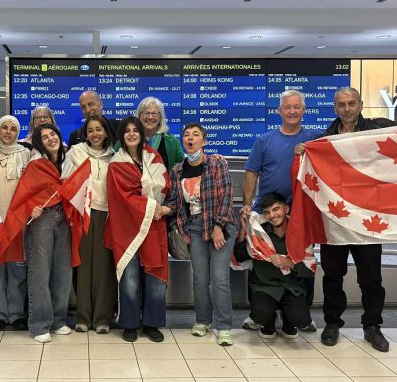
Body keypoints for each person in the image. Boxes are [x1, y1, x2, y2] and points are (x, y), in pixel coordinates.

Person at [318, 87, 395, 352]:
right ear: (335, 108)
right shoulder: (324, 139)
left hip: (368, 220)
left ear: (360, 104)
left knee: (371, 278)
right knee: (332, 276)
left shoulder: (379, 129)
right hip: (336, 220)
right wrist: (304, 152)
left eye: (351, 103)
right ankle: (332, 323)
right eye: (341, 104)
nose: (347, 109)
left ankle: (372, 327)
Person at [240, 90, 320, 332]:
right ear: (279, 111)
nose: (292, 111)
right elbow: (252, 172)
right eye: (288, 108)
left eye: (297, 107)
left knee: (302, 260)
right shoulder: (264, 140)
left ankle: (299, 312)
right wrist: (247, 203)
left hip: (300, 214)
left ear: (304, 110)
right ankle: (260, 313)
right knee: (260, 261)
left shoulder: (314, 139)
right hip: (267, 212)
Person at [161, 123, 236, 346]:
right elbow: (175, 201)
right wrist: (164, 209)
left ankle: (223, 326)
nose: (190, 138)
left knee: (220, 278)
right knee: (200, 279)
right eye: (186, 135)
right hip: (194, 228)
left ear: (204, 141)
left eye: (196, 135)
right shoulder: (177, 170)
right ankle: (203, 320)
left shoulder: (217, 163)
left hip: (219, 227)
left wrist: (218, 226)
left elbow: (227, 195)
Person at [106, 117, 169, 343]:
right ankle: (130, 323)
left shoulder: (155, 157)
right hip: (127, 227)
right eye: (127, 131)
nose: (132, 134)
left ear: (142, 134)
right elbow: (124, 197)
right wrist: (153, 206)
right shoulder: (116, 163)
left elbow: (167, 184)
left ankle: (152, 324)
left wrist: (163, 208)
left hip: (154, 225)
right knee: (130, 277)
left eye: (136, 131)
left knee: (155, 274)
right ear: (121, 136)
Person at [62, 116, 117, 334]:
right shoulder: (76, 153)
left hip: (107, 214)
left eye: (99, 130)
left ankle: (103, 317)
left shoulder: (114, 156)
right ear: (85, 134)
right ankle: (83, 317)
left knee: (104, 267)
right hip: (81, 213)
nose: (95, 134)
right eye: (90, 130)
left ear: (105, 132)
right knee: (83, 265)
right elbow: (65, 178)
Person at [234, 192, 314, 339]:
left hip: (291, 288)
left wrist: (289, 263)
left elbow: (310, 270)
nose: (272, 215)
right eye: (267, 212)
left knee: (302, 319)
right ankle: (268, 322)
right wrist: (243, 229)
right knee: (260, 314)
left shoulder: (300, 233)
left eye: (276, 209)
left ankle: (289, 322)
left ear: (286, 209)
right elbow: (239, 257)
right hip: (265, 286)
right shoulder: (258, 233)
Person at [0, 115, 30, 331]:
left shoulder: (27, 154)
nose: (8, 132)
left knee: (17, 269)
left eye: (13, 129)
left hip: (19, 221)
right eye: (4, 128)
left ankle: (16, 313)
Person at [26, 123, 73, 343]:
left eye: (53, 134)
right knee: (41, 271)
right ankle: (39, 324)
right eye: (44, 137)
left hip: (64, 217)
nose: (50, 139)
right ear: (39, 143)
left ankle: (58, 320)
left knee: (63, 271)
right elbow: (25, 193)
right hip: (42, 218)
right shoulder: (36, 164)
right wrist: (31, 208)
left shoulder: (68, 160)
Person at [135, 96, 184, 172]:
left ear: (160, 117)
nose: (150, 117)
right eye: (146, 113)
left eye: (155, 113)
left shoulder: (172, 142)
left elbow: (182, 168)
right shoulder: (128, 138)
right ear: (139, 115)